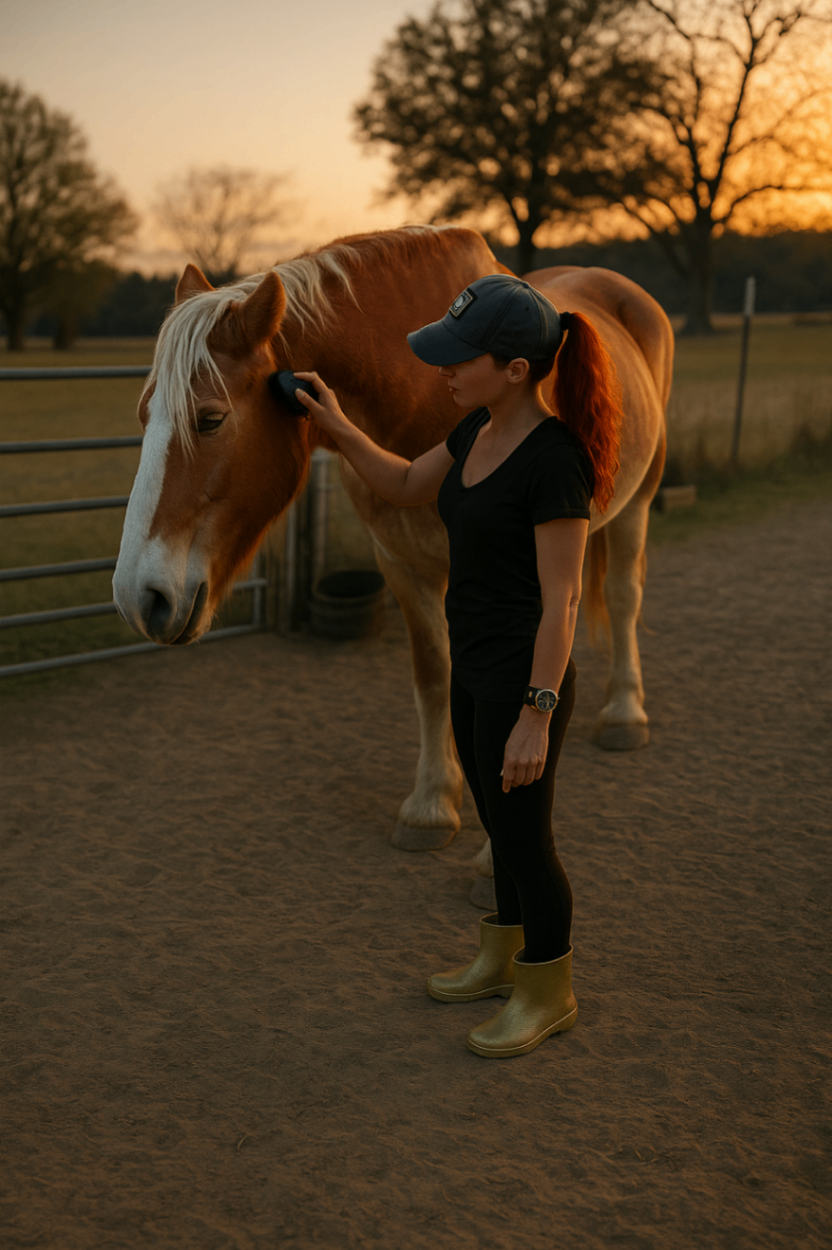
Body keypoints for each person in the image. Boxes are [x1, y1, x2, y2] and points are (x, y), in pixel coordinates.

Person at [291, 274, 621, 1059]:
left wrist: (536, 713)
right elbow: (404, 482)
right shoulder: (474, 432)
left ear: (514, 369)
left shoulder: (555, 462)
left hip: (522, 677)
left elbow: (565, 600)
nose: (445, 369)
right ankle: (501, 956)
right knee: (498, 828)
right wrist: (335, 425)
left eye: (460, 357)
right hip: (474, 665)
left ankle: (549, 989)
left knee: (526, 839)